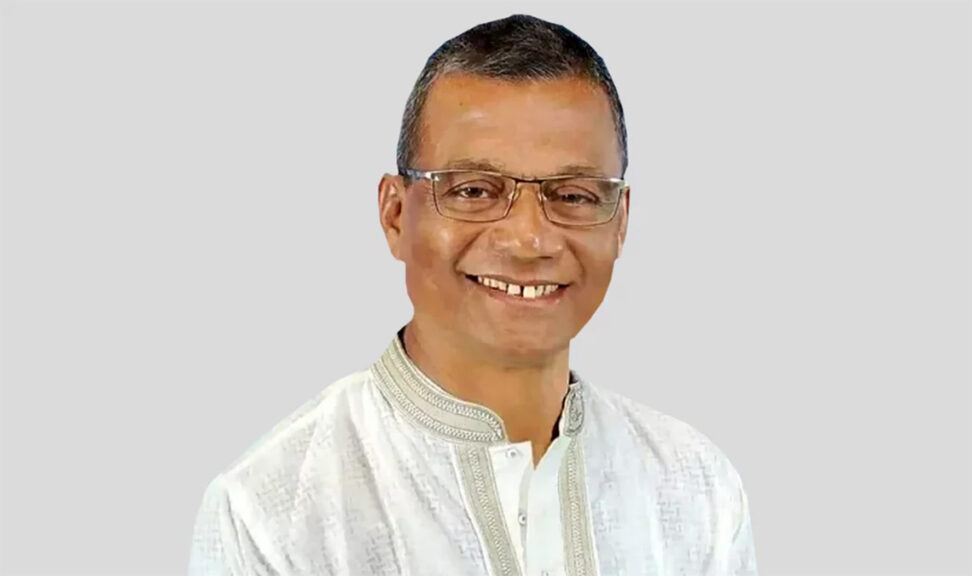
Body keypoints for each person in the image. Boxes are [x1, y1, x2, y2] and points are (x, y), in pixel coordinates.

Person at [189, 13, 758, 576]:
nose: (529, 239)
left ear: (621, 221)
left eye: (573, 195)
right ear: (394, 214)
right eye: (475, 191)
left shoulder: (694, 488)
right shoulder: (272, 512)